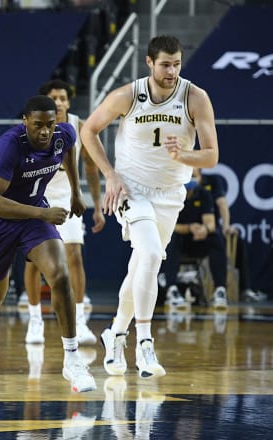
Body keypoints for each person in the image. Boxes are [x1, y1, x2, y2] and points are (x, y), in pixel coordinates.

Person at [80, 35, 219, 378]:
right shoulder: (128, 95)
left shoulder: (195, 97)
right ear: (149, 63)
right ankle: (144, 344)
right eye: (165, 65)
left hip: (170, 193)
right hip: (132, 190)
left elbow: (212, 156)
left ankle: (114, 333)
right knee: (152, 255)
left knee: (142, 263)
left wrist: (182, 154)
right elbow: (89, 130)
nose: (172, 71)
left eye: (177, 64)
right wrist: (110, 174)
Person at [0, 95, 96, 393]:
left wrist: (76, 191)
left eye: (49, 125)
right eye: (38, 126)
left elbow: (69, 150)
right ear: (25, 122)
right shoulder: (9, 145)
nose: (45, 132)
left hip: (34, 217)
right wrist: (43, 212)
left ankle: (72, 360)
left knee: (60, 275)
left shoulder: (64, 134)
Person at [21, 79, 105, 346]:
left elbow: (91, 169)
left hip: (68, 197)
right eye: (53, 98)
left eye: (62, 98)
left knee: (74, 256)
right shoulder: (32, 128)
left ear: (68, 102)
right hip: (37, 196)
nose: (58, 102)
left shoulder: (80, 127)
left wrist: (97, 205)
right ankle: (35, 321)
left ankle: (79, 320)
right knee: (33, 261)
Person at [161, 170, 227, 308]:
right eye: (187, 175)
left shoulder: (203, 193)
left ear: (200, 178)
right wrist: (189, 228)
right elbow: (167, 226)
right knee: (172, 237)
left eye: (193, 176)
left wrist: (205, 229)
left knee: (216, 237)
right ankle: (172, 289)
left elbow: (211, 223)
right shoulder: (170, 193)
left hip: (197, 241)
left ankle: (220, 290)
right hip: (179, 242)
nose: (190, 180)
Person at [199, 170, 267, 302]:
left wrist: (226, 227)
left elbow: (222, 204)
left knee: (233, 241)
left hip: (210, 228)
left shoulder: (212, 181)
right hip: (186, 228)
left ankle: (242, 289)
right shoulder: (179, 180)